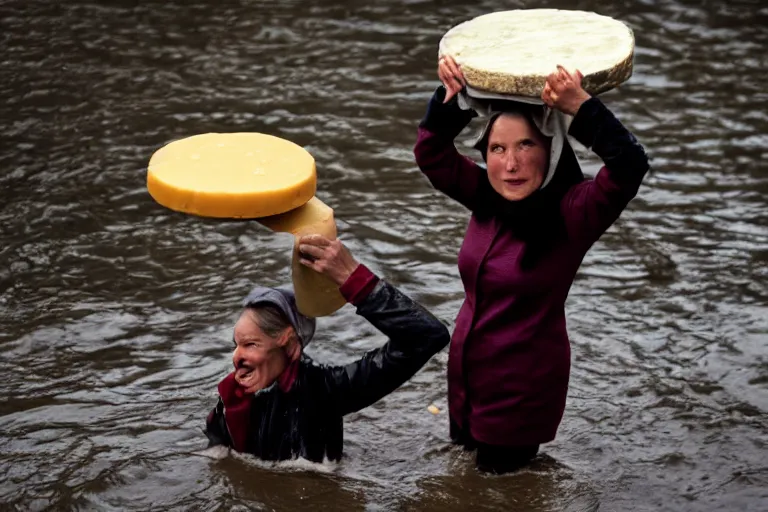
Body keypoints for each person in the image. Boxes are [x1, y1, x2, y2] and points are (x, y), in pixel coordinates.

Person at [414, 55, 650, 474]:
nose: (510, 164)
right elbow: (431, 151)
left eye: (526, 145)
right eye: (497, 149)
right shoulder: (485, 195)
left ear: (551, 149)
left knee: (501, 493)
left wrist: (580, 107)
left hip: (521, 393)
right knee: (462, 485)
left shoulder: (573, 213)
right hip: (466, 382)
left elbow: (630, 165)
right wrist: (458, 96)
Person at [204, 234, 450, 463]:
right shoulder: (233, 398)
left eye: (250, 344)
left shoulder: (326, 390)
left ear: (288, 341)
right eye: (236, 345)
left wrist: (356, 281)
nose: (237, 357)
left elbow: (425, 336)